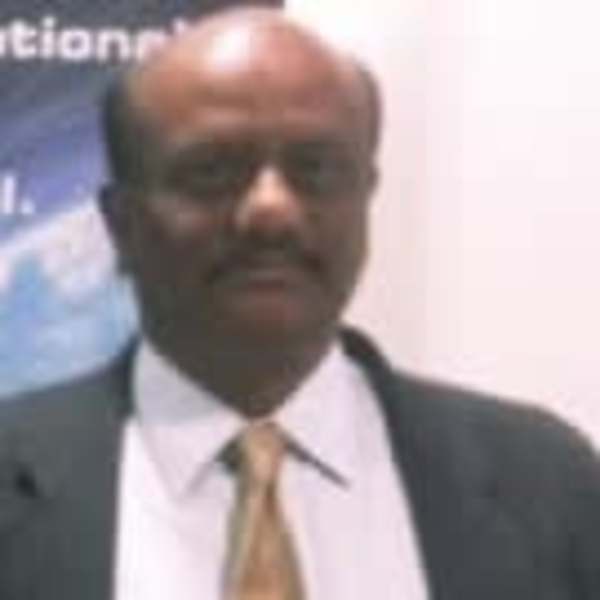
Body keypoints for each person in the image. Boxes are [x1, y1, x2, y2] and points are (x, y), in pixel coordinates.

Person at [0, 7, 599, 600]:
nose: (272, 209)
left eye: (316, 169)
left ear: (365, 198)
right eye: (212, 172)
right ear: (120, 223)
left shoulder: (545, 485)